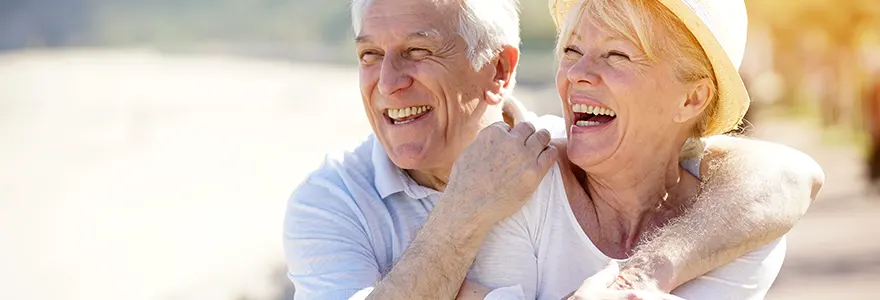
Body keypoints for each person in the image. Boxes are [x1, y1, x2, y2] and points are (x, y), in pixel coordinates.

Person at [283, 0, 825, 299]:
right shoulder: (330, 201)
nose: (387, 81)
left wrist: (638, 277)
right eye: (369, 55)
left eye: (418, 51)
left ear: (501, 71)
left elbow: (786, 173)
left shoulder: (723, 217)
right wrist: (461, 213)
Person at [465, 0, 823, 299]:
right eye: (573, 50)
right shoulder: (523, 188)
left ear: (691, 98)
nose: (577, 73)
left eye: (617, 54)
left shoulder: (743, 230)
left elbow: (795, 173)